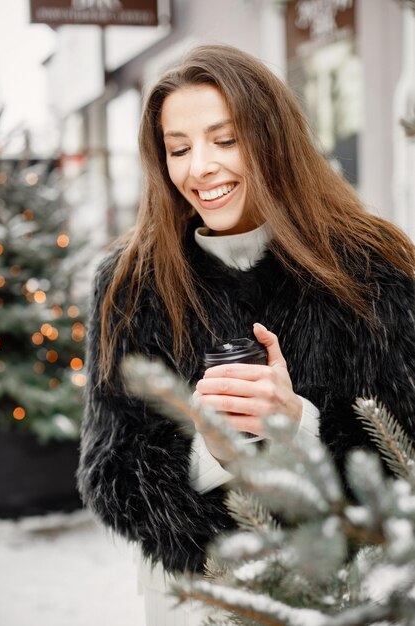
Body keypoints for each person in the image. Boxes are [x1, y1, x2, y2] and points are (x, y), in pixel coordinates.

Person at [77, 44, 415, 625]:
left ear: (273, 140)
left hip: (354, 592)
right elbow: (108, 473)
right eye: (177, 148)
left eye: (225, 140)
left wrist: (301, 426)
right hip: (201, 594)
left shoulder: (372, 268)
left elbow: (405, 446)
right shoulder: (129, 286)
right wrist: (208, 449)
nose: (199, 167)